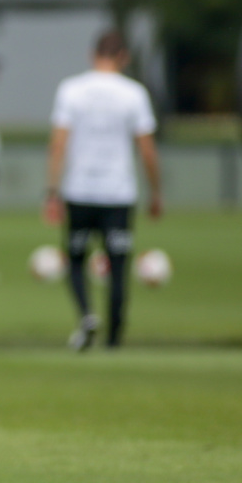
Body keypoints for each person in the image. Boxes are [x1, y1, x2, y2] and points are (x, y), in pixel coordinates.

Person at [43, 29, 162, 351]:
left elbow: (58, 144)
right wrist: (156, 192)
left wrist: (52, 192)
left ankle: (86, 316)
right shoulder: (134, 93)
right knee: (119, 267)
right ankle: (114, 338)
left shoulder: (71, 90)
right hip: (118, 193)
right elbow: (148, 149)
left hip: (79, 190)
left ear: (92, 55)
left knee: (77, 261)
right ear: (124, 56)